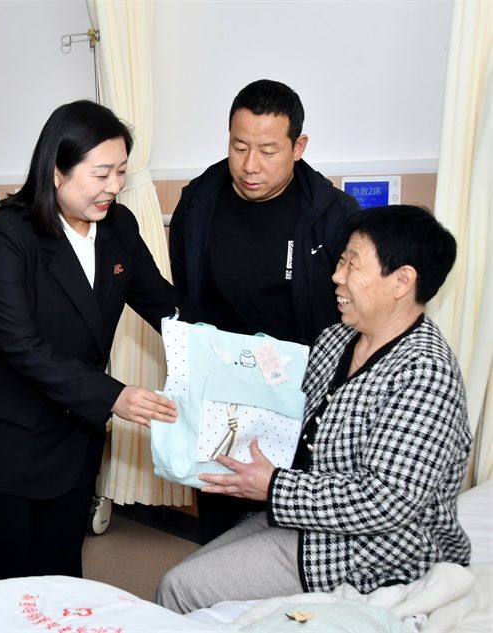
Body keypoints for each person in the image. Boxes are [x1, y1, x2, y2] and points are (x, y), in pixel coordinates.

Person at [156, 205, 472, 613]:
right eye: (341, 260)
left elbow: (387, 500)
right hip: (313, 519)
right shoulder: (338, 340)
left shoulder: (425, 374)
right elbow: (289, 417)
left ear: (402, 281)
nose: (337, 276)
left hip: (378, 549)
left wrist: (274, 487)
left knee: (180, 588)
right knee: (186, 573)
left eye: (352, 264)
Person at [0, 100, 180, 583]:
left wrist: (232, 351)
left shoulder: (118, 227)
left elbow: (163, 304)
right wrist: (115, 395)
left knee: (61, 578)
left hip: (75, 435)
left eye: (121, 172)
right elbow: (21, 346)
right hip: (7, 440)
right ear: (57, 171)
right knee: (6, 586)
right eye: (101, 174)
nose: (114, 186)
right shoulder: (6, 237)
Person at [168, 79, 361, 543]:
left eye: (268, 151)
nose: (250, 165)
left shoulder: (333, 215)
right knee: (219, 514)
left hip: (299, 393)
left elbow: (349, 316)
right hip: (222, 391)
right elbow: (187, 292)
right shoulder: (199, 203)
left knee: (288, 530)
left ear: (299, 147)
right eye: (239, 147)